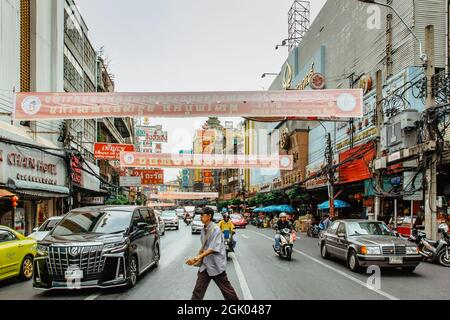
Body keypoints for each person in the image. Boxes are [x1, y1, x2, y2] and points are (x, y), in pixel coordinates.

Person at [186, 207, 239, 300]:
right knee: (198, 291)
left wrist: (196, 258)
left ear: (209, 216)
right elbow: (205, 247)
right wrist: (198, 259)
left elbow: (212, 249)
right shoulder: (203, 229)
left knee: (228, 292)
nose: (200, 217)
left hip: (216, 265)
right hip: (205, 265)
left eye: (202, 215)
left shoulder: (216, 229)